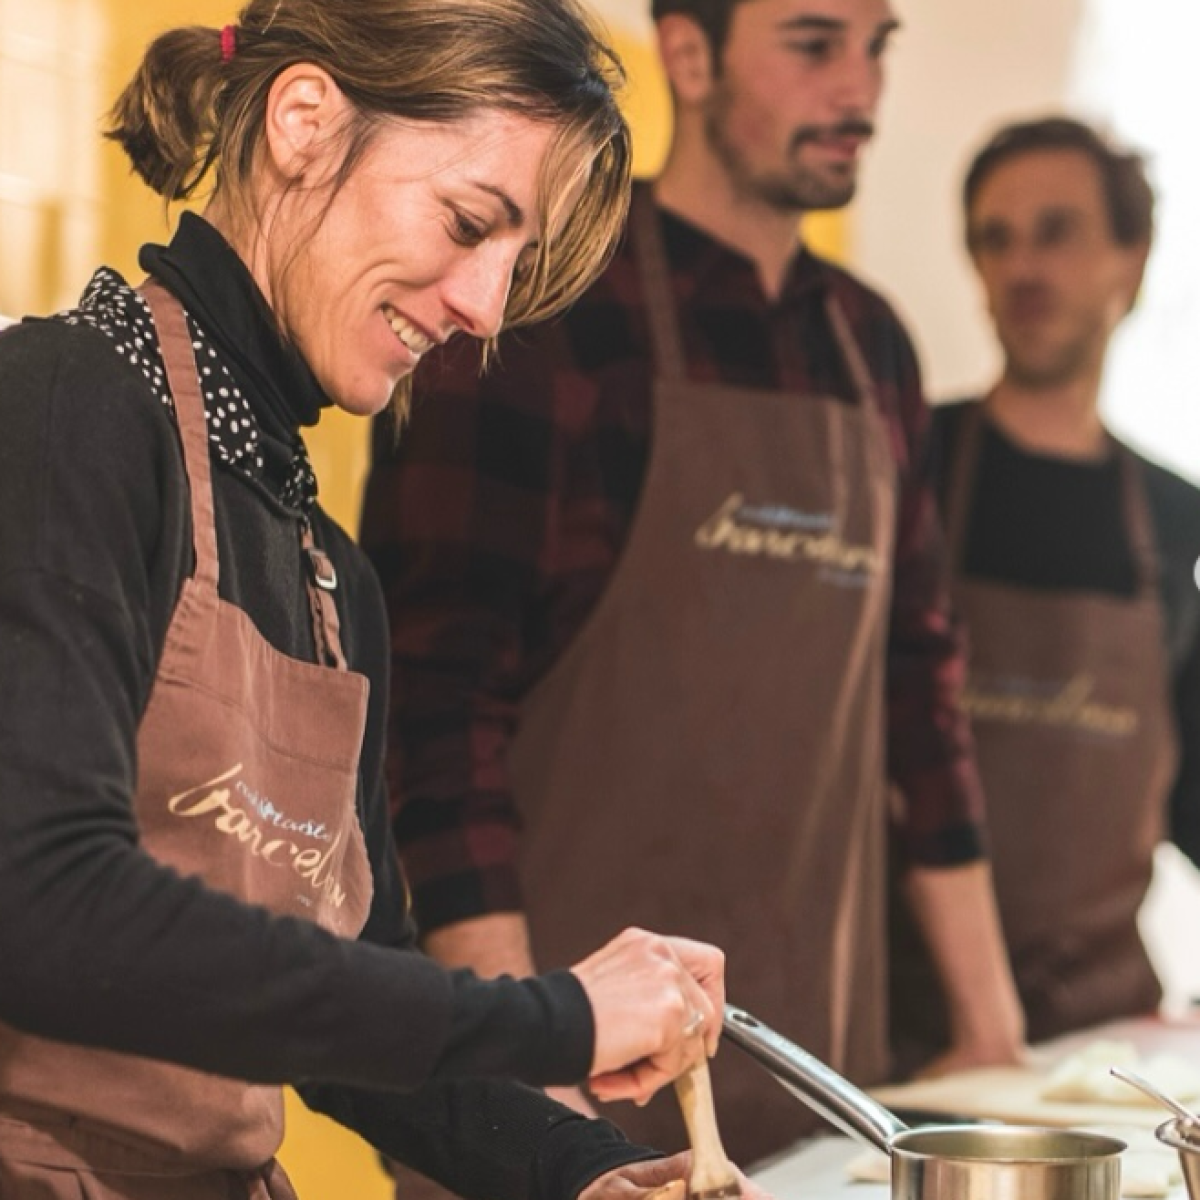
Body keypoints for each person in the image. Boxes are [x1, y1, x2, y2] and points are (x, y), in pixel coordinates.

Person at [0, 1, 770, 1197]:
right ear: (304, 121)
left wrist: (580, 1170)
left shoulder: (326, 571)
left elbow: (354, 999)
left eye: (514, 257)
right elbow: (43, 900)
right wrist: (554, 1019)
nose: (487, 307)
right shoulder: (61, 415)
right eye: (471, 223)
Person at [359, 0, 1026, 1170]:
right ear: (689, 55)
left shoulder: (875, 349)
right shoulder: (539, 311)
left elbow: (923, 703)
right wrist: (524, 1064)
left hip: (823, 1080)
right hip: (567, 1076)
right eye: (816, 46)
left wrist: (990, 1028)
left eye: (878, 49)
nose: (859, 93)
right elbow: (434, 709)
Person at [889, 115, 1200, 1070]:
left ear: (1131, 260)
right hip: (909, 1036)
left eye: (1056, 232)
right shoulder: (909, 460)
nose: (1023, 267)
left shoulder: (1174, 515)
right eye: (997, 238)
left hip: (1104, 1050)